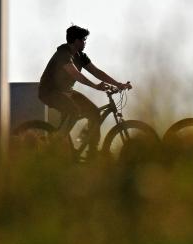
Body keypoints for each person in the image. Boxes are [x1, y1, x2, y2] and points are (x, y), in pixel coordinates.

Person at [38, 25, 132, 154]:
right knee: (73, 111)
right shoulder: (63, 54)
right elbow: (76, 74)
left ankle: (91, 152)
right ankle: (55, 143)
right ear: (75, 41)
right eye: (82, 40)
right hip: (49, 92)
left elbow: (97, 72)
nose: (85, 42)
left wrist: (118, 84)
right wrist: (95, 86)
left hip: (66, 92)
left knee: (94, 113)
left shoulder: (80, 56)